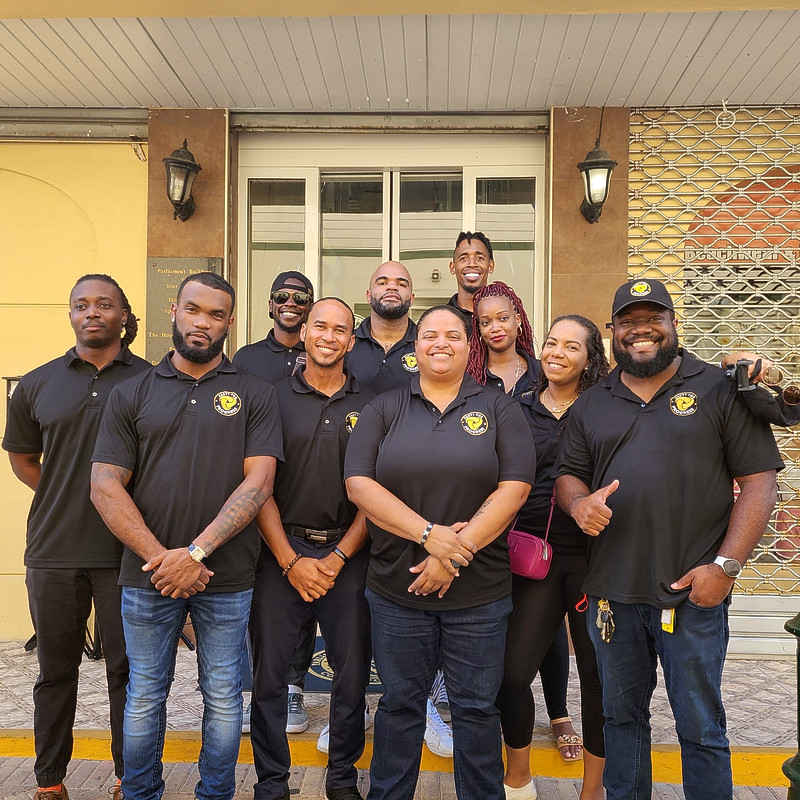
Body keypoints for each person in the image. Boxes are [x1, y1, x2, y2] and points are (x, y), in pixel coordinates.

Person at [556, 278, 782, 800]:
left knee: (700, 726)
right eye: (628, 322)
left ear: (674, 323)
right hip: (612, 596)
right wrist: (579, 504)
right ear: (613, 332)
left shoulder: (719, 388)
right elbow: (569, 474)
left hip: (692, 593)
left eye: (652, 319)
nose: (641, 331)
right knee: (621, 720)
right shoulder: (594, 402)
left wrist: (725, 568)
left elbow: (759, 482)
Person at [89, 272, 283, 800]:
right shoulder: (132, 392)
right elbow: (104, 485)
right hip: (146, 576)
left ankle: (215, 794)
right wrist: (163, 559)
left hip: (227, 576)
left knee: (222, 697)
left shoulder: (255, 394)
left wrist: (196, 553)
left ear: (230, 322)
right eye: (193, 310)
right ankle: (140, 793)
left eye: (216, 315)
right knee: (144, 696)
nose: (203, 323)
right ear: (174, 311)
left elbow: (259, 483)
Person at [344, 304, 535, 800]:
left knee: (476, 711)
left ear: (470, 346)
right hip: (397, 591)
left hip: (480, 596)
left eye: (453, 335)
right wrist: (429, 535)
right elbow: (359, 484)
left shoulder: (499, 408)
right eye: (430, 334)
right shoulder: (385, 408)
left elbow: (515, 488)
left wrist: (453, 553)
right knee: (399, 706)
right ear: (415, 345)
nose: (441, 343)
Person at [2, 274, 150, 800]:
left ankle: (128, 778)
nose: (92, 312)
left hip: (125, 554)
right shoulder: (38, 383)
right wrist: (65, 491)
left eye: (104, 304)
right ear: (70, 315)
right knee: (54, 673)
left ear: (124, 316)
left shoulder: (150, 381)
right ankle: (50, 781)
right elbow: (23, 458)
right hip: (54, 550)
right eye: (81, 304)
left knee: (126, 674)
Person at [474, 313, 609, 800]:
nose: (557, 353)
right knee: (512, 673)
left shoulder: (604, 407)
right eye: (552, 343)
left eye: (572, 347)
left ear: (590, 359)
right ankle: (518, 777)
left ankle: (592, 789)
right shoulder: (518, 407)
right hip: (533, 554)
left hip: (595, 555)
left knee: (596, 676)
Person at [249, 297, 372, 800]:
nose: (328, 336)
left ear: (351, 341)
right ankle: (271, 784)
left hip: (349, 552)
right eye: (320, 326)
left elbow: (378, 492)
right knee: (270, 678)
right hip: (281, 551)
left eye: (340, 329)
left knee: (352, 677)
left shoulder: (373, 404)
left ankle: (342, 780)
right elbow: (257, 488)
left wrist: (338, 557)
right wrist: (289, 560)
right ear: (304, 332)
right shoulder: (269, 398)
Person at [468, 281, 584, 766]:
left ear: (519, 318)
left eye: (504, 317)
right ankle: (505, 719)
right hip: (503, 526)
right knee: (515, 627)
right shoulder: (472, 378)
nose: (495, 327)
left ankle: (558, 712)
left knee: (552, 629)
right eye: (485, 321)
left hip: (561, 527)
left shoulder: (545, 371)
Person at [345, 259, 452, 755]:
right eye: (383, 281)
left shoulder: (428, 344)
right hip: (356, 498)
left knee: (413, 610)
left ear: (413, 295)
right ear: (368, 291)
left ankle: (421, 701)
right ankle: (360, 707)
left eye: (402, 282)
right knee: (357, 618)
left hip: (420, 507)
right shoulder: (349, 344)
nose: (392, 288)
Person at [233, 269, 315, 735]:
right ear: (269, 304)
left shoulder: (321, 351)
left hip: (306, 489)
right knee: (263, 602)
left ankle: (295, 687)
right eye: (281, 296)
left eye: (300, 298)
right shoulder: (246, 359)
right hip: (257, 492)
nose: (290, 303)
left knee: (306, 597)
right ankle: (261, 688)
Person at [447, 231, 494, 322]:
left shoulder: (502, 317)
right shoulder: (442, 317)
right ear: (452, 267)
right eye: (463, 259)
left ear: (490, 266)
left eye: (480, 258)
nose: (472, 264)